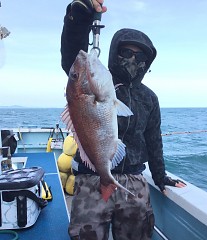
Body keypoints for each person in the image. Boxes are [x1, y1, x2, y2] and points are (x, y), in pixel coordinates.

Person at [61, 1, 186, 239]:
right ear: (114, 53)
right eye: (126, 52)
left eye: (140, 56)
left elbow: (153, 139)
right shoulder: (96, 80)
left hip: (134, 180)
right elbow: (72, 56)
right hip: (91, 177)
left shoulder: (149, 97)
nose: (132, 59)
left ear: (147, 62)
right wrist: (80, 16)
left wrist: (160, 176)